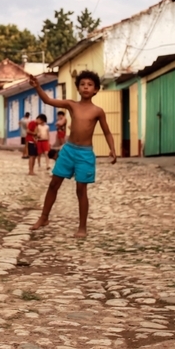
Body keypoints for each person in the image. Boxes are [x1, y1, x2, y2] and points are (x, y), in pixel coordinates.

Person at [28, 71, 116, 238]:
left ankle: (82, 227)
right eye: (82, 84)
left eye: (90, 85)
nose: (86, 87)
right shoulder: (71, 105)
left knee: (81, 190)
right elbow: (48, 100)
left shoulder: (98, 111)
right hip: (68, 150)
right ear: (78, 88)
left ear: (96, 89)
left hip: (85, 154)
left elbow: (107, 132)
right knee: (54, 184)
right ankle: (44, 217)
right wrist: (37, 87)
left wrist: (112, 149)